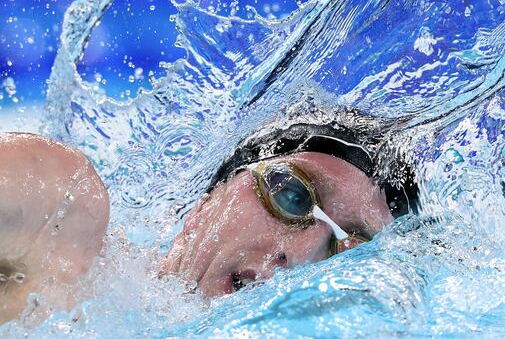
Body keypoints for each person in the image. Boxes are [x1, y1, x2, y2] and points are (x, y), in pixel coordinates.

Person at [0, 122, 417, 323]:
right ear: (208, 201)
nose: (304, 254)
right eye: (292, 194)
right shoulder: (59, 239)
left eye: (349, 250)